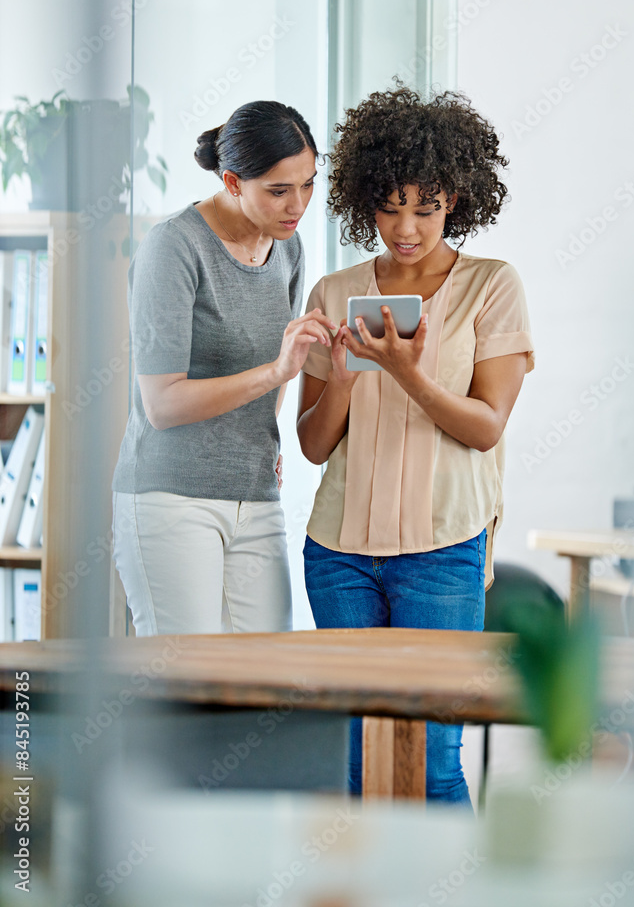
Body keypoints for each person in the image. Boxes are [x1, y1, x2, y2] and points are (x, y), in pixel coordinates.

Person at [297, 85, 535, 804]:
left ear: (456, 199)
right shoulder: (334, 292)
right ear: (365, 199)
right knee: (356, 765)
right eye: (389, 206)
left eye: (425, 208)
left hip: (443, 553)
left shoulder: (491, 288)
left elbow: (485, 425)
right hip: (339, 554)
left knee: (431, 765)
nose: (405, 228)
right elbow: (313, 446)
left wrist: (404, 372)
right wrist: (340, 378)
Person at [112, 100, 335, 637]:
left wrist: (265, 434)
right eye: (278, 191)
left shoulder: (288, 247)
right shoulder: (175, 247)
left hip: (254, 494)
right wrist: (276, 373)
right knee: (184, 686)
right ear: (233, 182)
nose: (297, 204)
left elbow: (277, 363)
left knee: (263, 680)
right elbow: (161, 405)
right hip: (171, 496)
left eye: (307, 184)